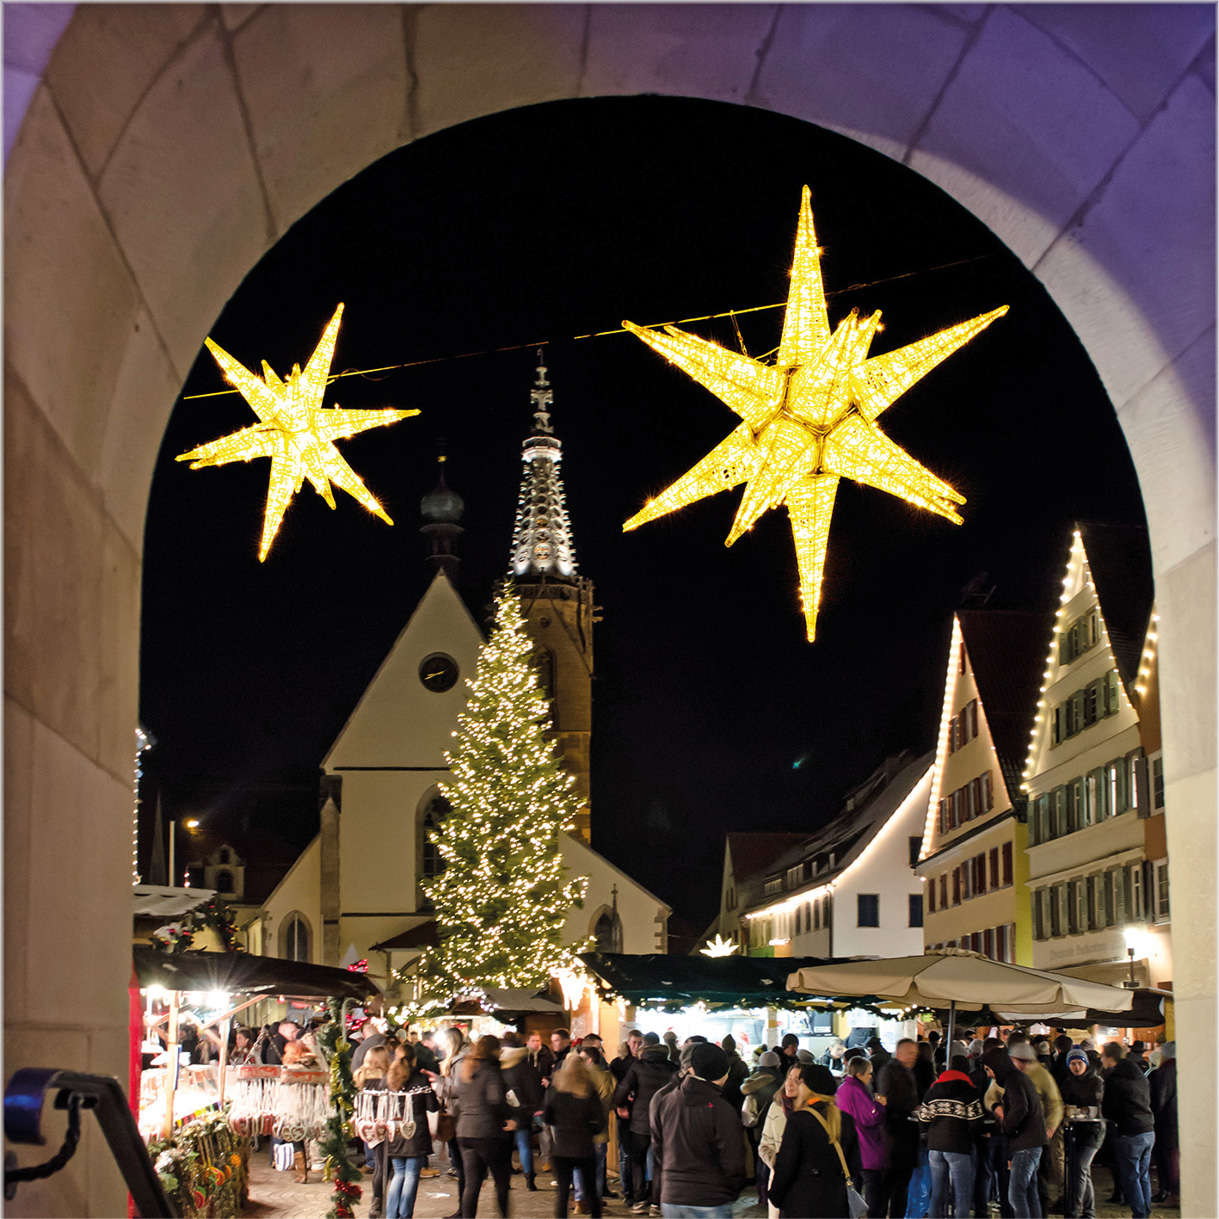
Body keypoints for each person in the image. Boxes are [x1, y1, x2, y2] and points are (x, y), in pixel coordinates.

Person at [649, 1042, 747, 1218]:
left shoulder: (665, 1100)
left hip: (672, 1195)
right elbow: (734, 1160)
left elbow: (658, 1146)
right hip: (710, 1197)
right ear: (723, 1072)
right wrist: (729, 1189)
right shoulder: (720, 1108)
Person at [768, 1062, 850, 1218]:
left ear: (807, 1087)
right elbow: (854, 1165)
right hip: (837, 1203)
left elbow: (786, 1165)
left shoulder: (799, 1120)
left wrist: (776, 1197)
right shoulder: (846, 1120)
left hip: (803, 1204)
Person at [367, 1042, 440, 1219]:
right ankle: (405, 1214)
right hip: (415, 1132)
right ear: (414, 1059)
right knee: (411, 1175)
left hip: (395, 1133)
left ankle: (391, 1214)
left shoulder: (387, 1080)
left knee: (398, 1174)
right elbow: (432, 1106)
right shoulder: (420, 1080)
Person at [613, 1030, 678, 1213]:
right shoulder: (673, 1068)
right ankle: (656, 1204)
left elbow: (622, 1091)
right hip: (664, 1123)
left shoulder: (638, 1067)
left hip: (640, 1123)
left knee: (637, 1161)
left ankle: (640, 1201)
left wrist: (620, 1105)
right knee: (659, 1163)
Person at [982, 1047, 1047, 1219]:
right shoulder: (1018, 1078)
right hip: (1031, 1142)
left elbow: (1020, 1107)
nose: (989, 1074)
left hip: (1025, 1144)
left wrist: (1006, 1126)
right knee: (1030, 1193)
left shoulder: (1013, 1080)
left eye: (989, 1069)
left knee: (1016, 1194)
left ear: (997, 1066)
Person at [456, 1034, 516, 1218]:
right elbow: (495, 1099)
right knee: (501, 1181)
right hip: (488, 1132)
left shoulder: (467, 1069)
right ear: (495, 1051)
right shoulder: (492, 1071)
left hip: (465, 1131)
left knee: (472, 1184)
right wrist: (511, 1116)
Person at [918, 1053, 983, 1219]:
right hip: (959, 1146)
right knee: (962, 1196)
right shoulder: (969, 1091)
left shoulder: (933, 1091)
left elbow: (923, 1119)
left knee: (937, 1193)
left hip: (935, 1147)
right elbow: (976, 1123)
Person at [544, 1053, 607, 1218]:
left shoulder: (557, 1091)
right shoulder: (589, 1091)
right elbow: (600, 1122)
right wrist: (589, 1130)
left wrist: (561, 1125)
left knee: (562, 1193)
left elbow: (546, 1117)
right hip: (584, 1147)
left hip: (561, 1149)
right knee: (591, 1191)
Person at [1007, 1041, 1065, 1215]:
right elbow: (992, 1095)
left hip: (1038, 1136)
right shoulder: (1012, 1076)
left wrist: (1051, 1125)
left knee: (1031, 1185)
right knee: (1031, 1185)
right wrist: (996, 1107)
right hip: (1022, 1137)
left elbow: (1056, 1104)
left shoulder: (1042, 1075)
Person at [1100, 1041, 1155, 1219]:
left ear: (1110, 1057)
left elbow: (1108, 1109)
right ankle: (1145, 1212)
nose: (1101, 1059)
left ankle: (1139, 1214)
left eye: (1103, 1056)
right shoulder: (1138, 1073)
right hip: (1148, 1129)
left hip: (1130, 1131)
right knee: (1143, 1175)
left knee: (1131, 1177)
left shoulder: (1115, 1078)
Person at [835, 1053, 886, 1216]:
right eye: (869, 1073)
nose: (871, 1077)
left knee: (854, 1187)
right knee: (873, 1192)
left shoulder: (842, 1088)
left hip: (850, 1147)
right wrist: (879, 1105)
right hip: (866, 1148)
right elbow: (870, 1118)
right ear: (859, 1074)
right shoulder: (856, 1090)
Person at [876, 1038, 920, 1217]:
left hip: (906, 1135)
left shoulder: (907, 1072)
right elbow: (888, 1101)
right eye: (910, 1053)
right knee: (890, 1182)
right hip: (894, 1137)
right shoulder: (889, 1071)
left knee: (902, 1184)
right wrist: (910, 1109)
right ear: (900, 1053)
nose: (914, 1057)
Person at [1059, 1046, 1104, 1218]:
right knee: (1083, 1171)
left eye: (1079, 1063)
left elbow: (1098, 1106)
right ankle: (1089, 1212)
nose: (1076, 1067)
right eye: (1073, 1064)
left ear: (1085, 1063)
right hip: (1075, 1132)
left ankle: (1074, 1212)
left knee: (1079, 1169)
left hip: (1093, 1131)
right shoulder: (1068, 1083)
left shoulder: (1097, 1081)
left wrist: (1081, 1110)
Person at [433, 1027, 469, 1215]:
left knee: (462, 1167)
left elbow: (459, 1089)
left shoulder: (461, 1060)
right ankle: (463, 1209)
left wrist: (439, 1084)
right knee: (460, 1167)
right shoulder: (460, 1058)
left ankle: (464, 1210)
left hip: (460, 1117)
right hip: (458, 1115)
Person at [501, 1036, 544, 1191]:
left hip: (504, 1111)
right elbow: (535, 1089)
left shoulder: (499, 1066)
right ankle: (529, 1178)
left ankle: (505, 1180)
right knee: (523, 1145)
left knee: (504, 1146)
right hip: (522, 1111)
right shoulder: (526, 1066)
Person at [758, 1062, 801, 1219]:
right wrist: (777, 1164)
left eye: (797, 1079)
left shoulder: (812, 1111)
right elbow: (764, 1145)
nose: (790, 1083)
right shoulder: (776, 1107)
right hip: (779, 1181)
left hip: (805, 1185)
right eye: (789, 1077)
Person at [741, 1051, 782, 1207]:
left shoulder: (751, 1080)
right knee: (768, 1161)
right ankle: (768, 1195)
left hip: (752, 1126)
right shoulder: (776, 1082)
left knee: (759, 1159)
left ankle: (761, 1195)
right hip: (771, 1127)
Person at [1148, 1042, 1178, 1205]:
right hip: (1178, 1122)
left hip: (1166, 1122)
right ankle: (1173, 1192)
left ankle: (1168, 1192)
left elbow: (1160, 1100)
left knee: (1167, 1159)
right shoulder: (1183, 1069)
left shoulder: (1165, 1071)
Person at [718, 1034, 750, 1111]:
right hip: (737, 1100)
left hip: (720, 1098)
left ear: (722, 1046)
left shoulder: (718, 1062)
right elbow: (746, 1082)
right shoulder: (741, 1064)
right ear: (734, 1047)